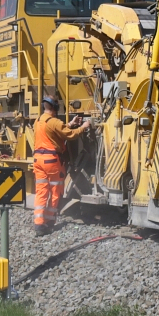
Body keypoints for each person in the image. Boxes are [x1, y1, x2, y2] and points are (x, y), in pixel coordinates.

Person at [31, 96, 91, 235]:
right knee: (55, 192)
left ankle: (39, 225)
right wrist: (83, 127)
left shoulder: (38, 120)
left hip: (38, 160)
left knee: (41, 192)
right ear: (55, 107)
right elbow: (70, 135)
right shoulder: (54, 121)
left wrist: (70, 123)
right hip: (51, 162)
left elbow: (54, 131)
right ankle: (50, 222)